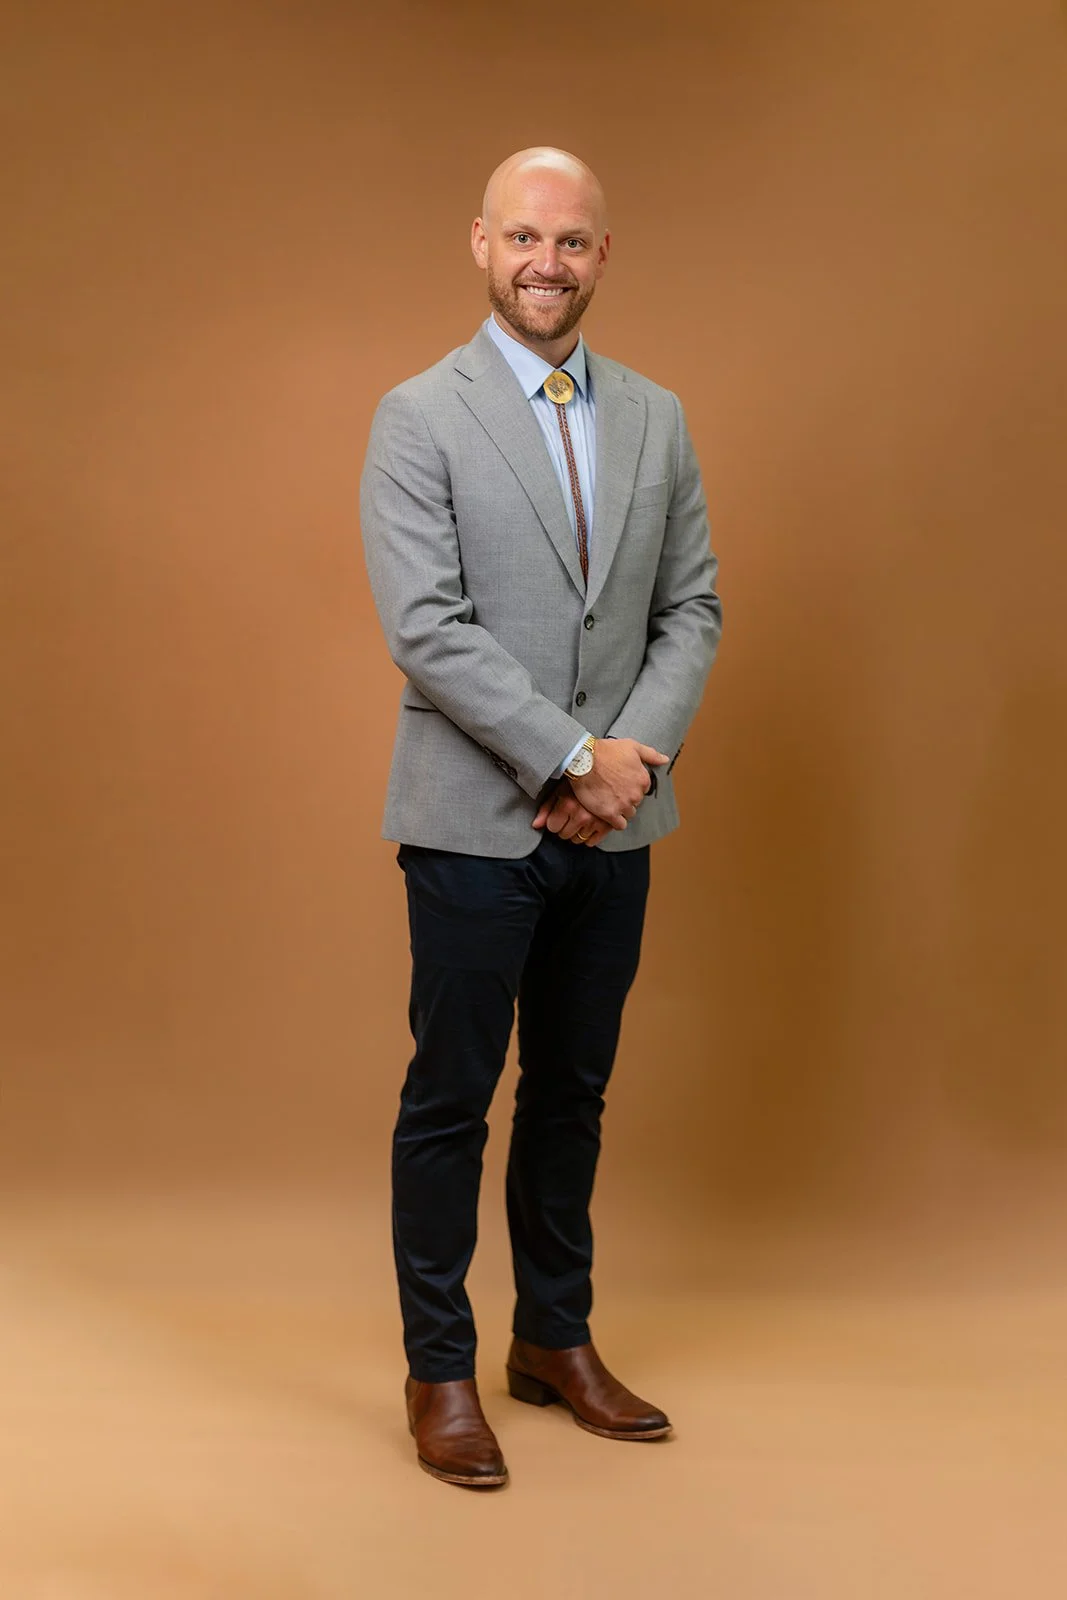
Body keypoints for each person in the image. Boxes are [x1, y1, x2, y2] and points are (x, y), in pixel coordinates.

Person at [360, 146, 722, 1489]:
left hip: (617, 824)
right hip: (471, 823)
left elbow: (690, 607)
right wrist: (571, 755)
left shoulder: (657, 417)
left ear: (601, 257)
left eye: (569, 243)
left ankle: (551, 1343)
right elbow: (425, 627)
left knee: (571, 1093)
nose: (543, 264)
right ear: (478, 245)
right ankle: (439, 1368)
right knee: (450, 1100)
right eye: (522, 238)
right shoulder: (417, 414)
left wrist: (629, 762)